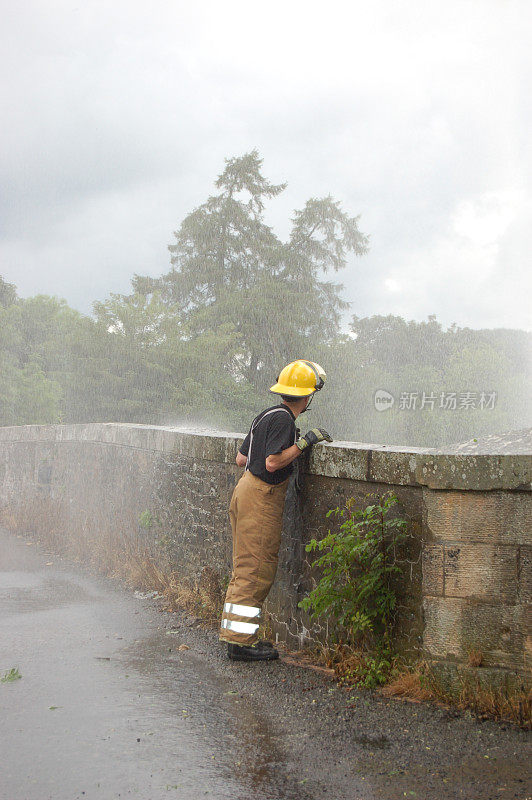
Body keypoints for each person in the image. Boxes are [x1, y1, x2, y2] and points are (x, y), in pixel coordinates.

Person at [220, 360, 332, 661]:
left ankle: (235, 636)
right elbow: (272, 462)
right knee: (256, 569)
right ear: (307, 397)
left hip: (245, 489)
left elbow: (241, 459)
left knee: (244, 566)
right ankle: (241, 645)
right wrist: (305, 442)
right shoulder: (284, 421)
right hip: (262, 496)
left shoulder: (266, 415)